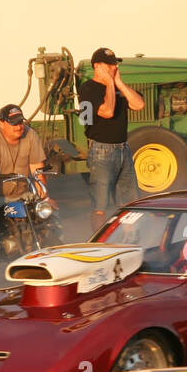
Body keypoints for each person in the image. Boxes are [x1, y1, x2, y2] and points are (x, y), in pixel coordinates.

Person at [0, 104, 49, 274]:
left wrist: (44, 199)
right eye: (14, 123)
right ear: (2, 123)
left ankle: (59, 255)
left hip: (19, 190)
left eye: (20, 122)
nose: (19, 126)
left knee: (48, 212)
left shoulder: (30, 135)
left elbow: (37, 169)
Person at [77, 47, 144, 237]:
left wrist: (119, 83)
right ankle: (99, 242)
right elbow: (107, 112)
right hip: (101, 151)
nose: (114, 67)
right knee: (100, 205)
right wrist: (108, 84)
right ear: (97, 66)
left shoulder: (118, 87)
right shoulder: (87, 89)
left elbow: (139, 105)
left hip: (123, 149)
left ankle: (131, 241)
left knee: (131, 203)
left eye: (116, 64)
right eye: (110, 65)